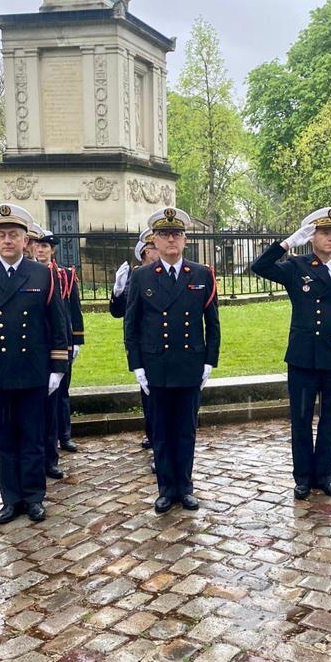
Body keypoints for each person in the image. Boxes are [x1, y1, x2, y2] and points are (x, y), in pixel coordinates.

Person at [0, 204, 69, 525]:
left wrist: (57, 367)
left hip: (33, 369)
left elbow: (57, 323)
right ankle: (11, 499)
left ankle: (34, 497)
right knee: (5, 439)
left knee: (33, 437)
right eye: (1, 235)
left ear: (26, 240)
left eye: (14, 234)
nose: (7, 240)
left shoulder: (42, 274)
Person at [251, 207, 331, 499]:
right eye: (324, 232)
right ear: (311, 236)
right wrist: (287, 243)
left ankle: (325, 476)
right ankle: (302, 478)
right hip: (303, 357)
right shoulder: (296, 266)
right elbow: (259, 266)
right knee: (301, 420)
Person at [123, 207, 220, 513]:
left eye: (176, 234)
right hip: (157, 365)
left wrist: (209, 361)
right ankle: (166, 490)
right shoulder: (142, 276)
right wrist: (137, 365)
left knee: (186, 431)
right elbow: (131, 325)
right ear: (154, 240)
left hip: (190, 363)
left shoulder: (201, 274)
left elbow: (212, 322)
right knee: (162, 431)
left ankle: (185, 488)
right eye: (164, 235)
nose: (171, 240)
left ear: (185, 239)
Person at [31, 227, 85, 474]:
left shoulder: (65, 275)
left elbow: (73, 309)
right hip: (35, 344)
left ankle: (64, 435)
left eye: (45, 246)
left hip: (61, 341)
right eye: (37, 245)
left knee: (61, 392)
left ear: (52, 250)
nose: (40, 250)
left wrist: (76, 340)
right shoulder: (28, 273)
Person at [111, 228, 158, 456]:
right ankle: (152, 433)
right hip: (145, 343)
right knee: (149, 394)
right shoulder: (138, 276)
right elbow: (122, 312)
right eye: (153, 248)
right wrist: (118, 291)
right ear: (145, 253)